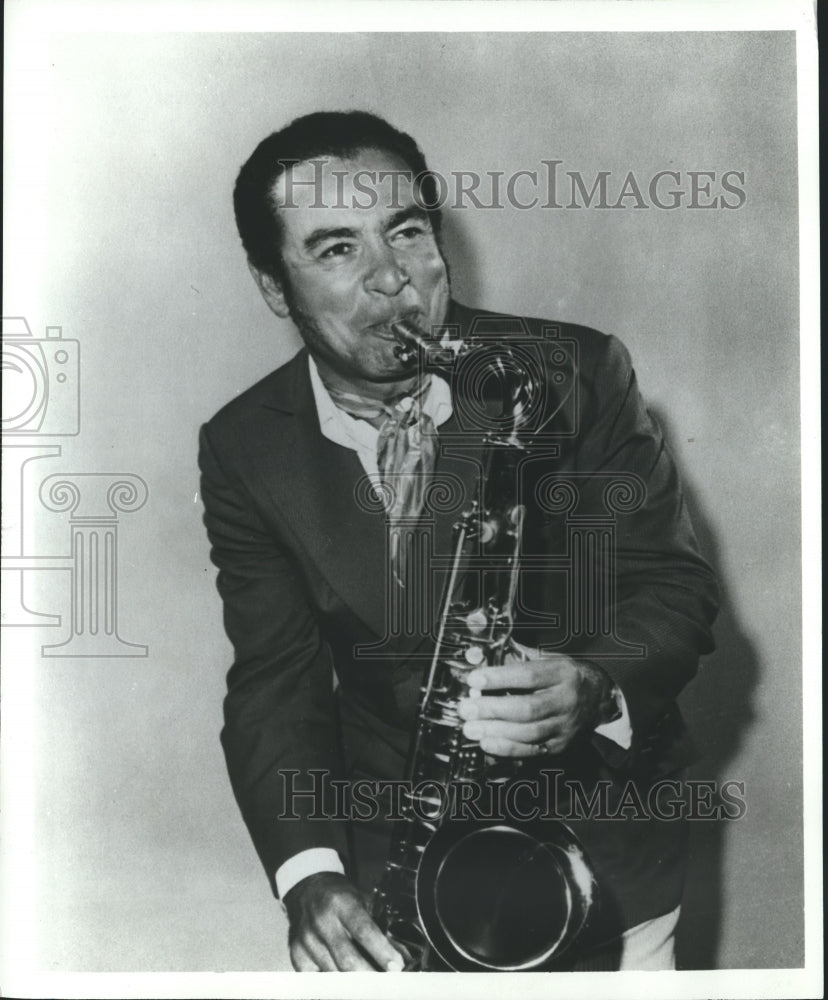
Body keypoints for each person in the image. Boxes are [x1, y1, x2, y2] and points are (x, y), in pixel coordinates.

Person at [199, 110, 719, 973]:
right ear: (272, 287)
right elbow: (273, 682)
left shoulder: (571, 374)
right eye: (336, 249)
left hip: (601, 864)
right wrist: (308, 875)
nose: (392, 280)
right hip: (395, 883)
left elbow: (671, 588)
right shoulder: (244, 445)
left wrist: (598, 685)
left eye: (406, 231)